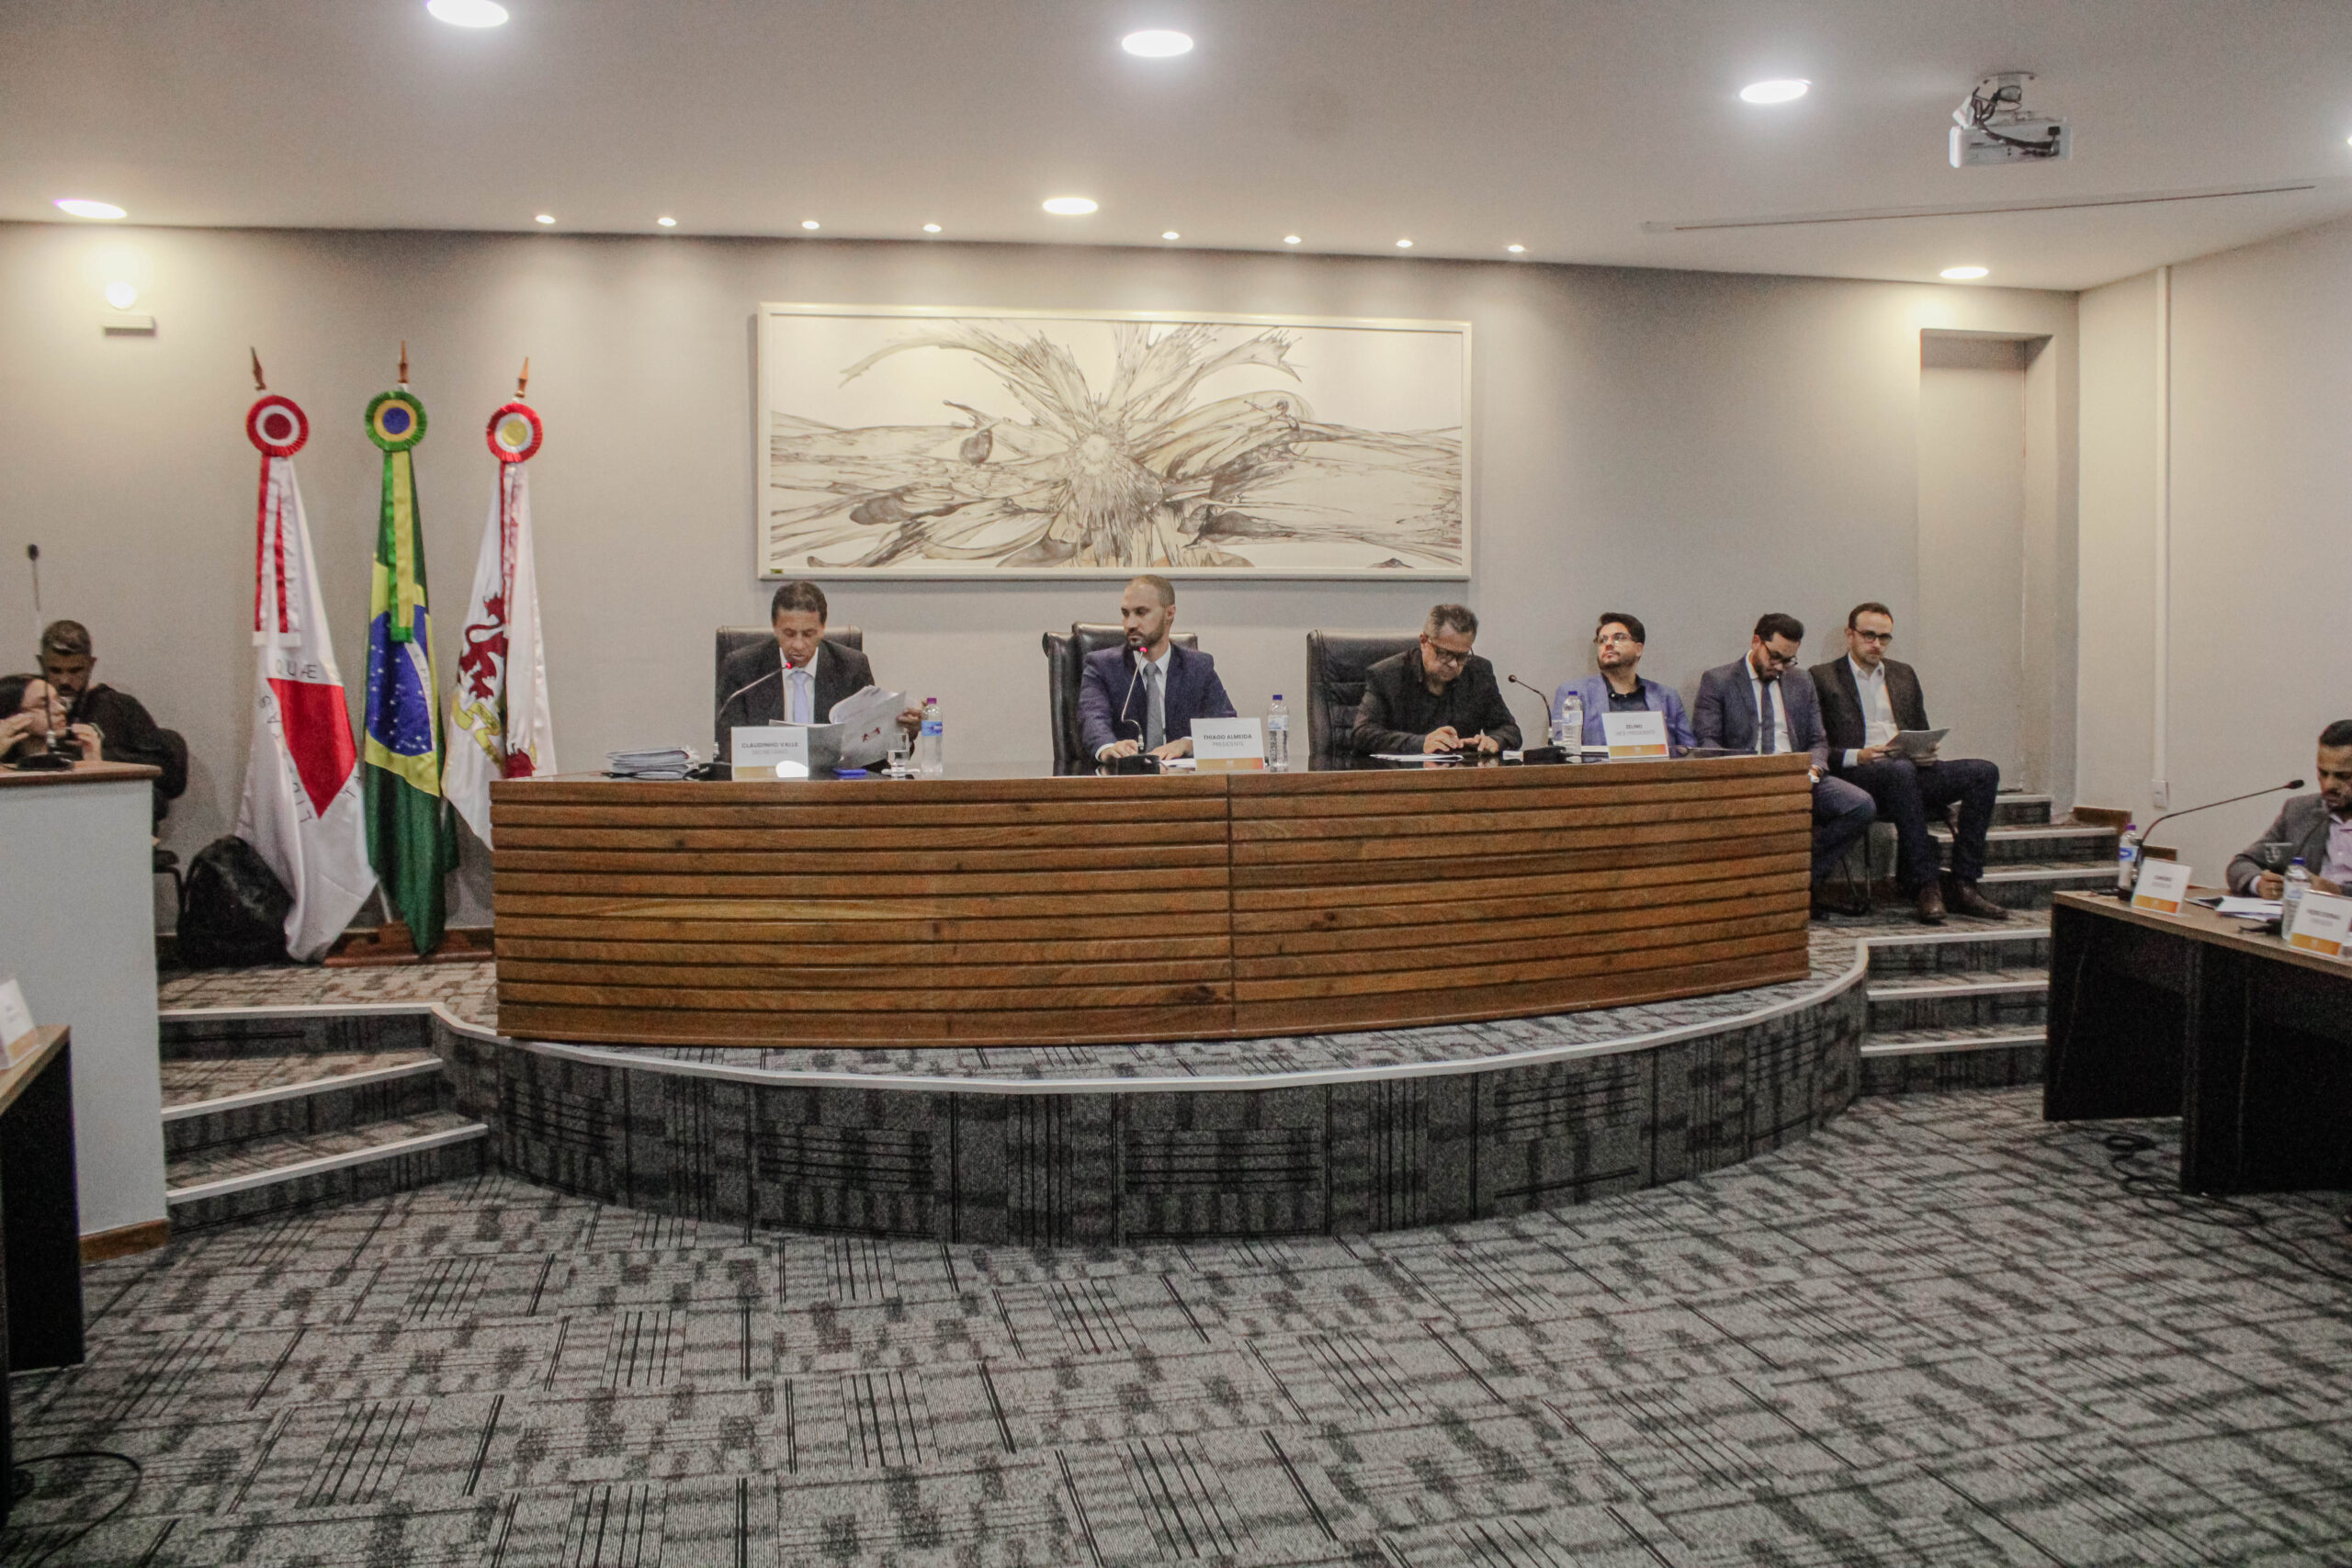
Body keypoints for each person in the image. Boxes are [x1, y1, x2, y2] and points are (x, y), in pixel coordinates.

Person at [1810, 602, 2005, 924]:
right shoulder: (1822, 677)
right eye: (1869, 636)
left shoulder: (1903, 674)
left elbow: (1919, 729)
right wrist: (1858, 755)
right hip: (1859, 774)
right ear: (1850, 635)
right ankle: (1926, 884)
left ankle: (1964, 883)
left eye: (1884, 638)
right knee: (1898, 771)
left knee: (1984, 772)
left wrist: (1926, 751)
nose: (1877, 644)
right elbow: (1817, 745)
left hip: (1908, 769)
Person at [1693, 614, 1877, 918]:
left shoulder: (1801, 681)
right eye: (1775, 657)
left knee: (1860, 805)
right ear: (1756, 642)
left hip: (1797, 777)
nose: (1780, 667)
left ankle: (1801, 881)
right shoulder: (1719, 681)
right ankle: (1776, 890)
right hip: (1744, 780)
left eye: (1788, 660)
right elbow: (1707, 743)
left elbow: (1818, 741)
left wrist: (1814, 772)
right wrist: (1738, 774)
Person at [714, 581, 919, 761]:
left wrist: (904, 732)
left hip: (833, 787)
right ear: (775, 627)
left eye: (808, 634)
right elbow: (730, 750)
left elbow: (870, 748)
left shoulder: (851, 668)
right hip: (766, 786)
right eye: (789, 634)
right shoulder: (743, 669)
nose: (798, 645)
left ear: (822, 628)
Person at [36, 620, 186, 823]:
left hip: (115, 818)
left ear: (91, 664)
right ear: (41, 664)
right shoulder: (27, 708)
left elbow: (169, 778)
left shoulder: (120, 707)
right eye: (55, 670)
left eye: (75, 671)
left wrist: (101, 760)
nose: (65, 681)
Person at [1081, 575, 1236, 761]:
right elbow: (1092, 718)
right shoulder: (1101, 666)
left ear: (1169, 613)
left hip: (1182, 776)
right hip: (1125, 775)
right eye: (1125, 613)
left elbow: (1226, 726)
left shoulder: (1198, 667)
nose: (1130, 624)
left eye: (1141, 612)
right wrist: (1108, 747)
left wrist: (1187, 744)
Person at [1353, 604, 1521, 757]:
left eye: (1462, 656)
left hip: (1461, 774)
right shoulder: (1387, 675)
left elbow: (1509, 729)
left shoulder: (1479, 673)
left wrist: (1495, 741)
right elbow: (1362, 734)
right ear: (1424, 642)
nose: (1454, 664)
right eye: (1445, 654)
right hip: (1401, 775)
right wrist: (1421, 743)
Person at [2227, 719, 2352, 897]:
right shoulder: (2300, 811)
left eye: (2343, 776)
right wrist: (2259, 883)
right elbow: (2241, 864)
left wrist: (2337, 892)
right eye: (2323, 773)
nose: (2329, 784)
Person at [1554, 612, 1696, 752]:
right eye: (1602, 640)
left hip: (1656, 767)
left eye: (1618, 638)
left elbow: (1690, 751)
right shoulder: (1574, 694)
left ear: (1639, 649)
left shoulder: (1666, 697)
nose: (1608, 644)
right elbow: (1564, 753)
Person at [0, 672, 101, 766]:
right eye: (45, 705)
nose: (62, 709)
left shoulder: (70, 758)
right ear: (12, 715)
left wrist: (93, 760)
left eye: (59, 701)